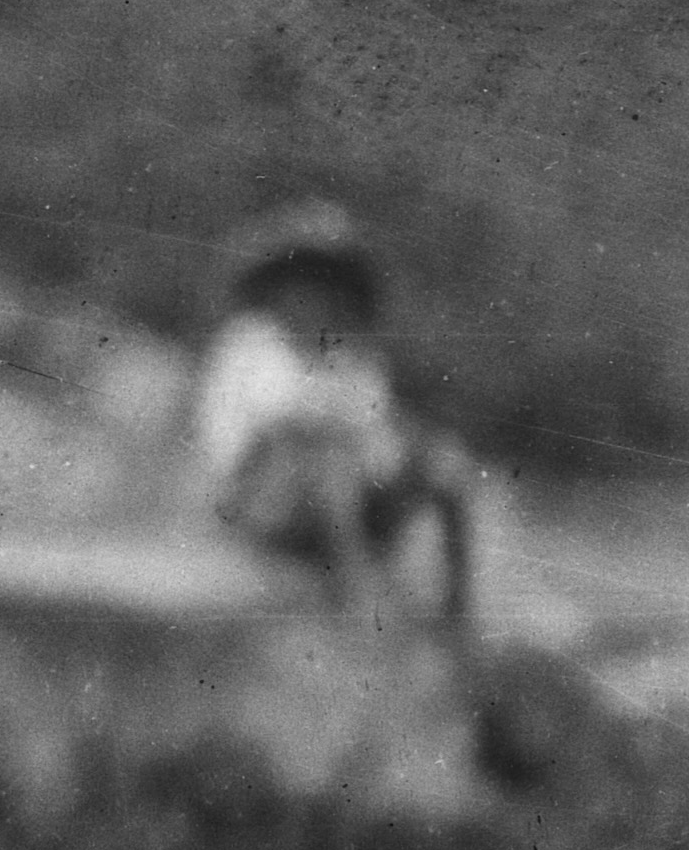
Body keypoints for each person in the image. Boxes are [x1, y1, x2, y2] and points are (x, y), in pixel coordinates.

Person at [189, 198, 485, 628]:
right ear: (279, 285)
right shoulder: (249, 344)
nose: (313, 292)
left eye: (325, 281)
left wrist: (397, 458)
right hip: (264, 499)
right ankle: (355, 595)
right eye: (302, 278)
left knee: (444, 458)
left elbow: (378, 436)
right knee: (326, 452)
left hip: (347, 497)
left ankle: (457, 609)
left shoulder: (354, 353)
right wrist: (329, 426)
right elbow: (249, 433)